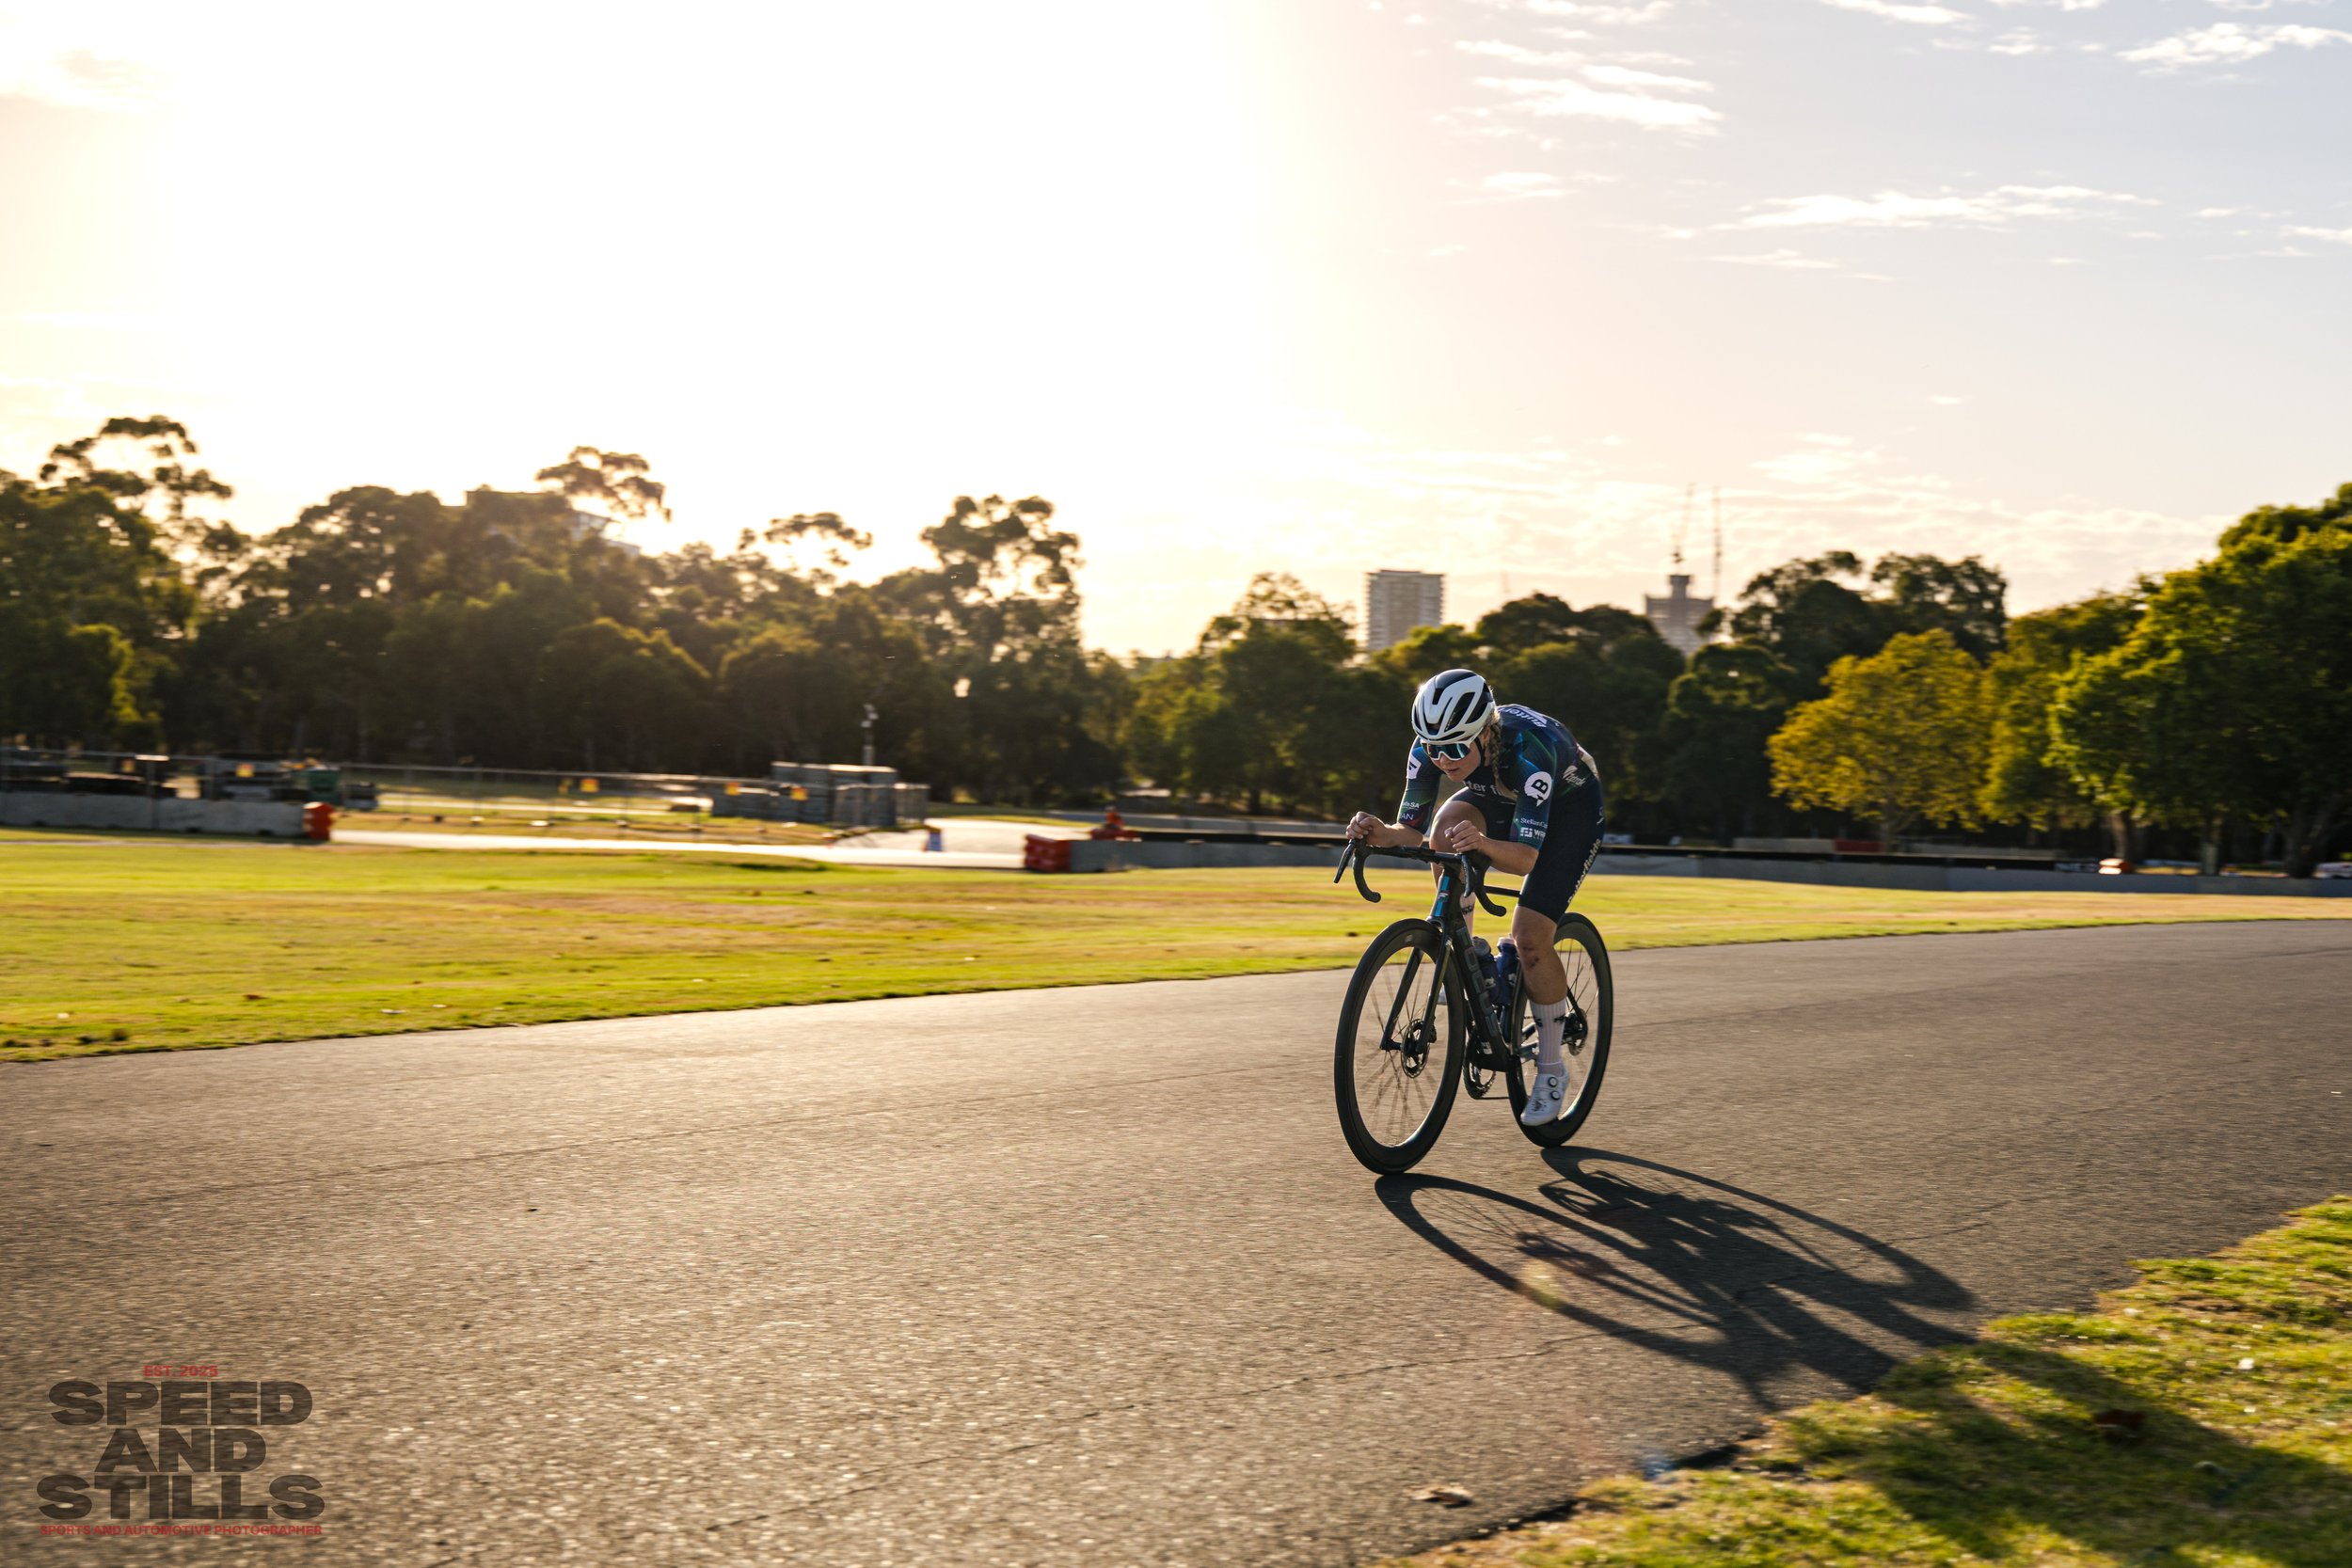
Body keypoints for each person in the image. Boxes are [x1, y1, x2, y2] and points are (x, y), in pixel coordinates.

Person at [1344, 668, 1605, 1126]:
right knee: (1445, 831)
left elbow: (1524, 860)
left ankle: (1551, 1069)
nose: (1443, 760)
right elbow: (1411, 830)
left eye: (1454, 748)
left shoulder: (1529, 750)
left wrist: (1483, 845)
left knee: (1530, 938)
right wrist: (1379, 832)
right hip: (1501, 795)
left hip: (1569, 810)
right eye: (1433, 748)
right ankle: (1468, 948)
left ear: (1485, 732)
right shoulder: (1431, 746)